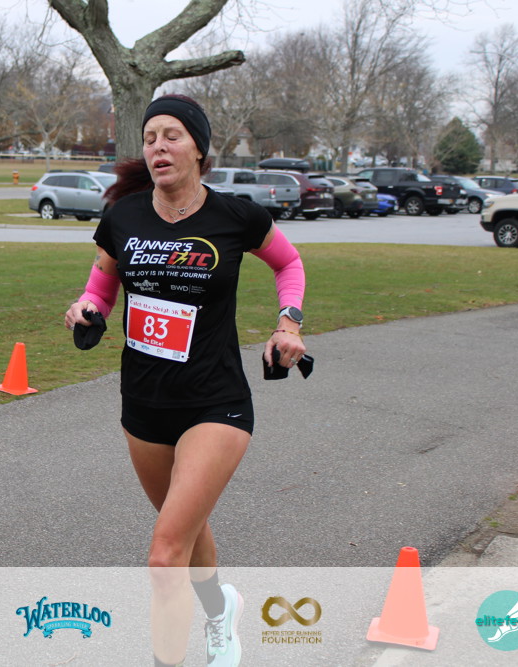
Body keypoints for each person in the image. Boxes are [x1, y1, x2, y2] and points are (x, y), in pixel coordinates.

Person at [63, 94, 307, 667]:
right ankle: (222, 609)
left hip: (215, 402)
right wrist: (85, 309)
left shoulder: (237, 217)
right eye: (150, 138)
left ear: (199, 148)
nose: (158, 147)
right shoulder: (123, 217)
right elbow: (100, 288)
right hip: (144, 402)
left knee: (164, 555)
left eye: (171, 136)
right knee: (186, 531)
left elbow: (289, 264)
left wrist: (288, 323)